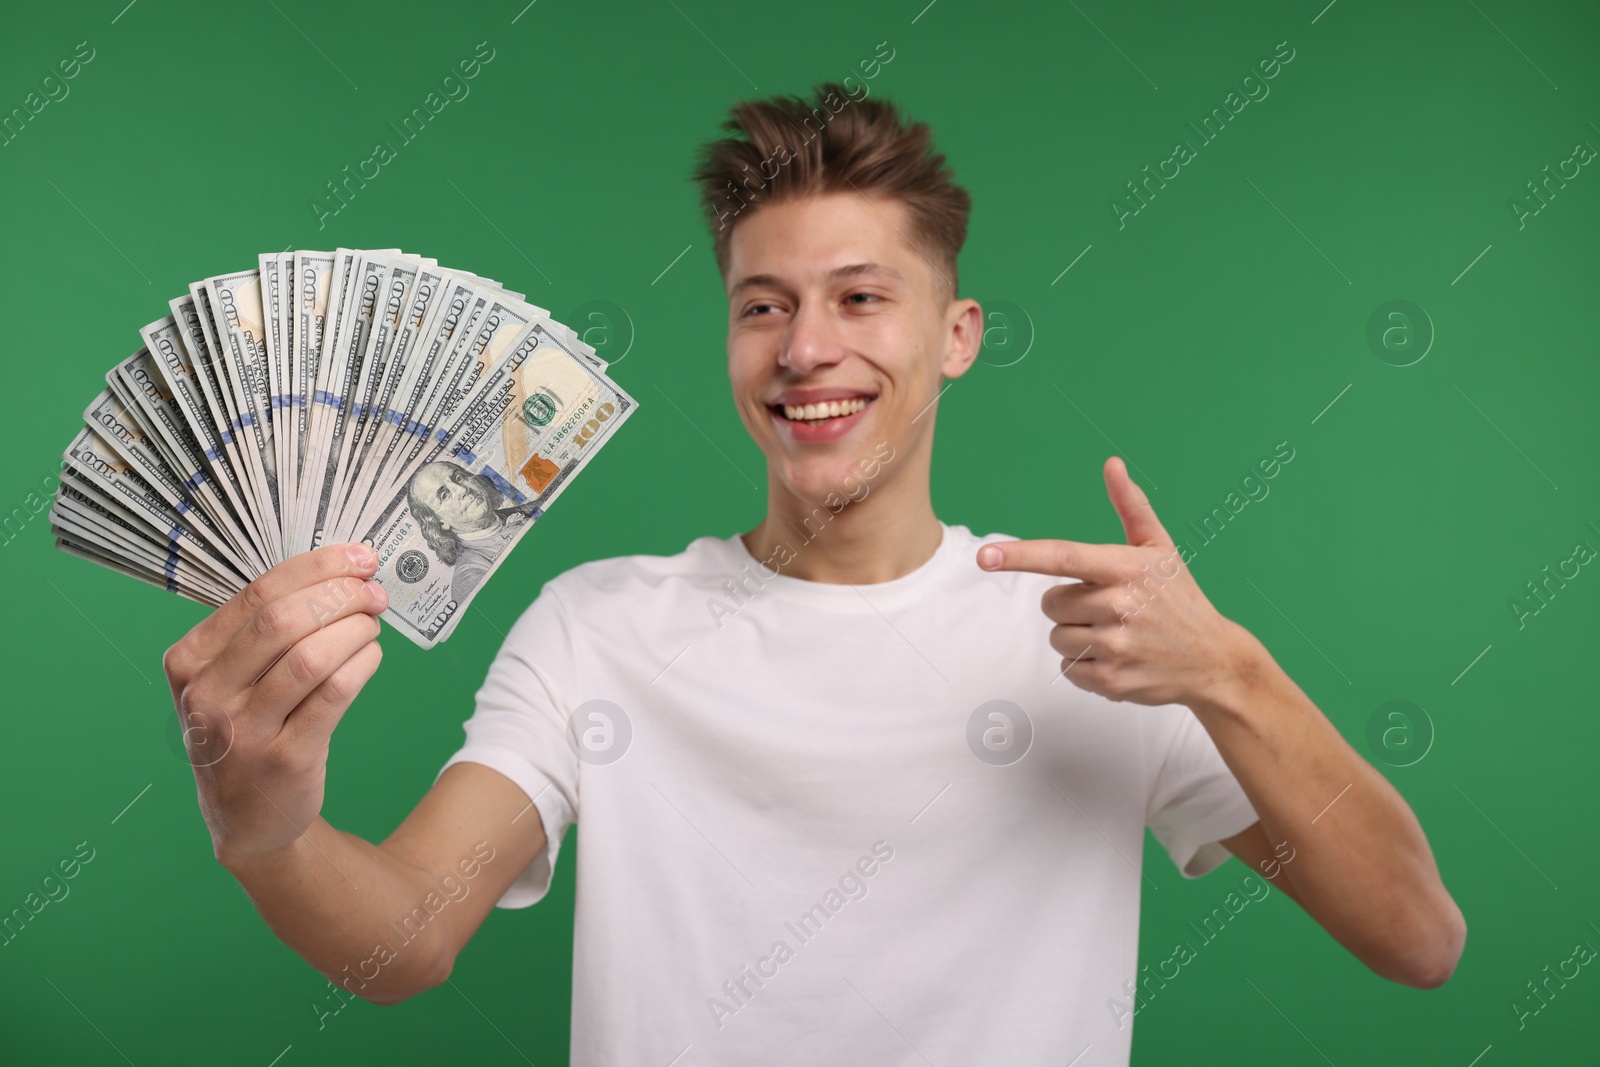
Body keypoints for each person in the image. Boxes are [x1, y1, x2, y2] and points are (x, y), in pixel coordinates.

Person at [161, 81, 1465, 1064]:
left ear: (957, 335)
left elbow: (1418, 938)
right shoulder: (599, 628)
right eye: (762, 303)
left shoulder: (1102, 639)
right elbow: (404, 940)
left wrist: (1229, 669)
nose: (805, 348)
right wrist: (262, 829)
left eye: (859, 296)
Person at [405, 459, 539, 602]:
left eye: (459, 478)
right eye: (445, 495)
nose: (462, 490)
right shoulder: (470, 577)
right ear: (440, 522)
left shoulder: (533, 508)